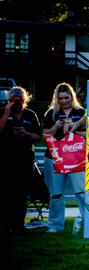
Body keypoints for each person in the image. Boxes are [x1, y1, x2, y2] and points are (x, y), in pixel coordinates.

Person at [41, 82, 87, 233]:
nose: (63, 101)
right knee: (56, 193)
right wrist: (56, 127)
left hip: (75, 157)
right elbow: (44, 135)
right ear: (56, 98)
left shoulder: (81, 113)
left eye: (66, 97)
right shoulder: (51, 113)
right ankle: (55, 225)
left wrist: (73, 130)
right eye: (60, 98)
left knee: (81, 191)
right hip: (54, 157)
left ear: (71, 96)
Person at [0, 87, 42, 235]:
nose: (16, 102)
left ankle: (19, 224)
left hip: (24, 159)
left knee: (22, 193)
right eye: (13, 99)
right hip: (5, 159)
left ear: (25, 100)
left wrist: (27, 135)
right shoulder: (2, 111)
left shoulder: (30, 115)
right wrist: (6, 112)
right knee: (5, 193)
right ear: (9, 99)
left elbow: (38, 136)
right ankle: (5, 225)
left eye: (20, 99)